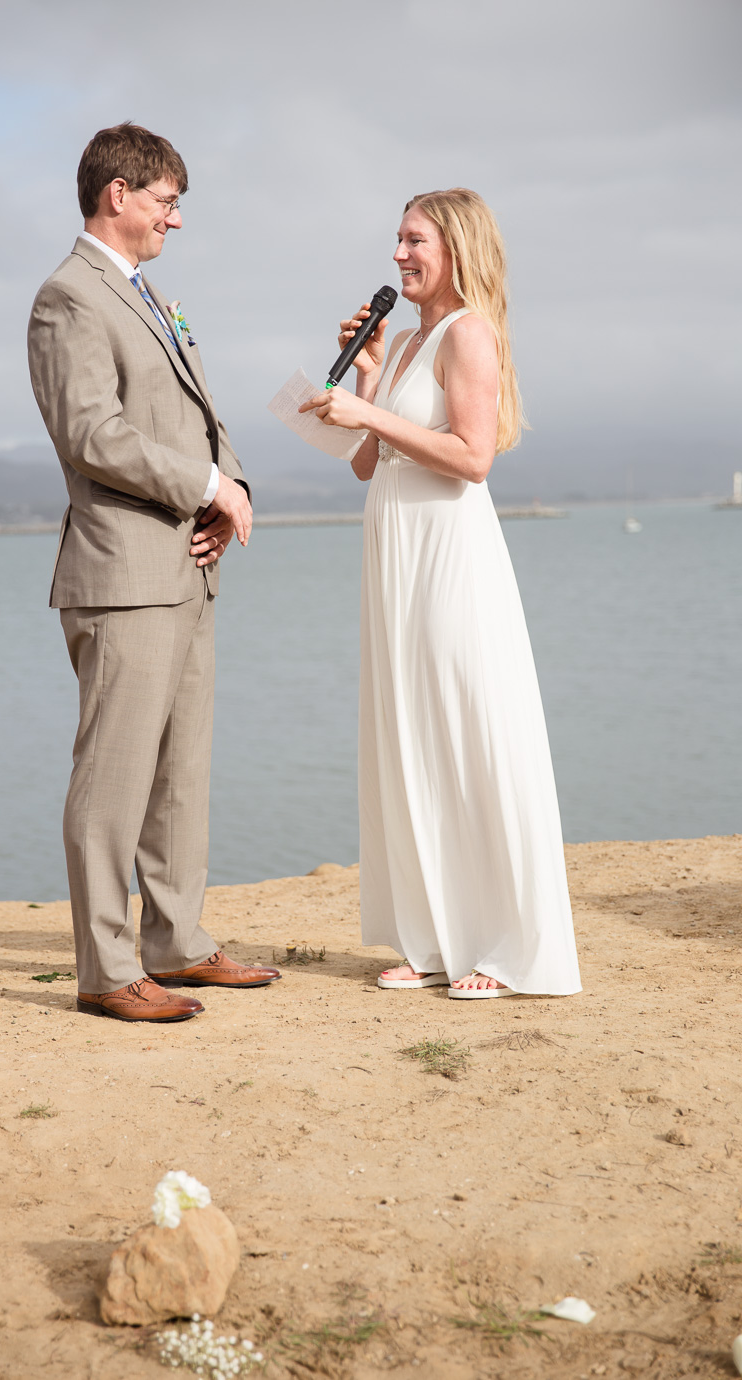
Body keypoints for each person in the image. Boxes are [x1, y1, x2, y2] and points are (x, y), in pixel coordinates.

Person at [27, 122, 281, 1023]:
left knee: (181, 771)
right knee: (115, 777)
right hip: (121, 578)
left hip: (185, 567)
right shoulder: (69, 298)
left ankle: (177, 943)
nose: (176, 220)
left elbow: (198, 419)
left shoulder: (148, 293)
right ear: (118, 195)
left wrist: (231, 486)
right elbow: (91, 434)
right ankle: (105, 970)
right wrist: (204, 484)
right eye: (169, 201)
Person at [300, 188, 580, 999]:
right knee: (409, 733)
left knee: (468, 729)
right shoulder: (405, 343)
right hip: (394, 554)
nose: (398, 255)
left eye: (414, 240)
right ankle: (428, 939)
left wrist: (372, 414)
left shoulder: (469, 335)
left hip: (451, 555)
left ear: (455, 248)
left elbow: (472, 457)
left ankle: (500, 947)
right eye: (396, 240)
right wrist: (362, 382)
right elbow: (365, 464)